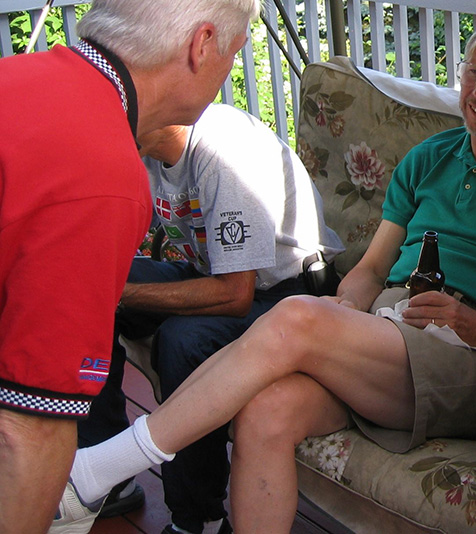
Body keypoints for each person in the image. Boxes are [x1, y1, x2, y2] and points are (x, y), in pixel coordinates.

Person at [51, 18, 476, 534]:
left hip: (475, 360)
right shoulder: (430, 157)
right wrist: (346, 305)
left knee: (297, 316)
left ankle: (104, 467)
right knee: (266, 412)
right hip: (393, 339)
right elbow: (372, 269)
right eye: (473, 72)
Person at [0, 0, 260, 534]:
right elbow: (26, 432)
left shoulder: (18, 80)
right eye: (234, 50)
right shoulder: (101, 172)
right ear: (201, 45)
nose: (229, 69)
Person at [78, 103, 345, 534]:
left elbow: (236, 295)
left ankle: (199, 517)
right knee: (86, 287)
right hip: (212, 272)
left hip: (287, 293)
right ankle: (108, 473)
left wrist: (122, 293)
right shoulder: (146, 153)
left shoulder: (222, 152)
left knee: (184, 340)